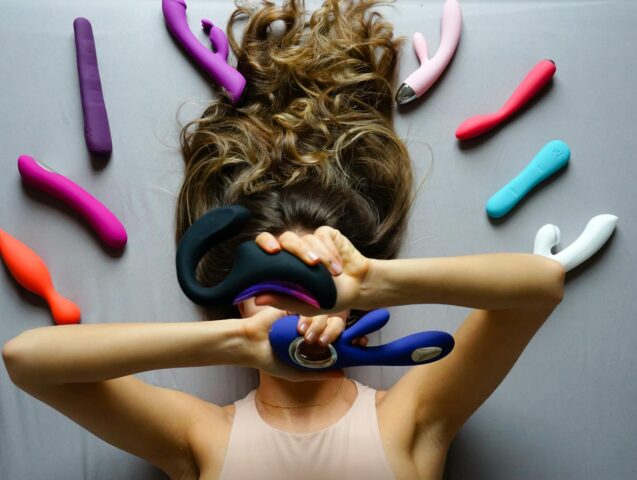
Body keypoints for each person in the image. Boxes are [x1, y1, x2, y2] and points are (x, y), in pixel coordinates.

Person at [2, 1, 565, 479]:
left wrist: (372, 280)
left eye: (314, 274)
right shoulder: (200, 437)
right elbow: (26, 360)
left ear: (349, 307)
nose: (294, 287)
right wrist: (237, 342)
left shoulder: (411, 419)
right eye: (273, 278)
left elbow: (542, 285)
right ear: (238, 294)